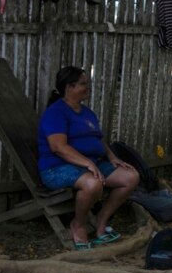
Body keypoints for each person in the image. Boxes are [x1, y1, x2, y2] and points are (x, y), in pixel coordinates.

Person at [37, 66, 139, 249]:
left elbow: (96, 139)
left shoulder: (87, 113)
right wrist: (88, 163)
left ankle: (100, 221)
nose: (87, 88)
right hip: (57, 167)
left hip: (91, 165)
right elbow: (58, 147)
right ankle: (78, 225)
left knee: (130, 177)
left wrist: (112, 157)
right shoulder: (56, 112)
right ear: (69, 87)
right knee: (93, 184)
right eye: (83, 84)